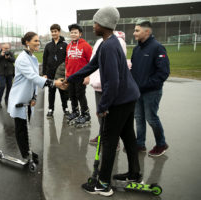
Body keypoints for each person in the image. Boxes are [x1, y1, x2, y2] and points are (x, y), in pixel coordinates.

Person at [63, 6, 142, 196]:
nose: (93, 25)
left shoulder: (108, 45)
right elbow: (92, 65)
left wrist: (103, 106)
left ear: (104, 24)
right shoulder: (109, 41)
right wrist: (71, 78)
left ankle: (104, 184)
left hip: (120, 100)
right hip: (129, 97)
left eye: (96, 22)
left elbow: (113, 82)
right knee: (128, 136)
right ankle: (134, 174)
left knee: (108, 140)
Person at [7, 32, 65, 164]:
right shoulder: (22, 59)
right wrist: (53, 83)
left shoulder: (32, 57)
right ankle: (25, 155)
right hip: (19, 98)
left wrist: (34, 97)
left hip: (27, 98)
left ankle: (27, 151)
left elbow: (34, 80)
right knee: (21, 127)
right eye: (35, 41)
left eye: (38, 41)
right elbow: (33, 77)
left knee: (25, 125)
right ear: (27, 42)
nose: (38, 43)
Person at [131, 20, 170, 157]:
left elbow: (163, 72)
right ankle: (140, 144)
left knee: (151, 118)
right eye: (134, 30)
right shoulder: (136, 49)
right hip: (138, 92)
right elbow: (134, 70)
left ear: (147, 32)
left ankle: (161, 144)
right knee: (139, 118)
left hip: (152, 92)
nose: (134, 33)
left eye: (137, 30)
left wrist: (146, 84)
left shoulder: (158, 48)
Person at [88, 31, 127, 148]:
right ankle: (102, 135)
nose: (93, 27)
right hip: (98, 84)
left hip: (109, 86)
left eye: (96, 23)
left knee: (110, 115)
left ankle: (114, 141)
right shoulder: (100, 42)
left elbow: (114, 66)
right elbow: (93, 62)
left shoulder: (116, 42)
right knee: (101, 114)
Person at [65, 23, 92, 127]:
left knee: (80, 95)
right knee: (72, 95)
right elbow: (67, 60)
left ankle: (85, 114)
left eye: (75, 32)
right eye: (71, 32)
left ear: (80, 34)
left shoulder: (85, 46)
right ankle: (75, 111)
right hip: (71, 76)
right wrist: (67, 75)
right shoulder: (69, 46)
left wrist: (87, 75)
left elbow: (91, 62)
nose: (73, 34)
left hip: (81, 76)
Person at [42, 24, 69, 118]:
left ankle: (65, 108)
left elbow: (68, 60)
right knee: (51, 92)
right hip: (50, 73)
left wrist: (67, 72)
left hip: (61, 73)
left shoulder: (65, 45)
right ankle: (50, 109)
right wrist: (44, 73)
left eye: (55, 31)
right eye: (52, 31)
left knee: (63, 91)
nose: (53, 33)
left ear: (59, 32)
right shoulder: (48, 45)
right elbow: (44, 59)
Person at [0, 43, 15, 108]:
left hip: (9, 73)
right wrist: (1, 55)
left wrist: (8, 58)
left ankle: (7, 99)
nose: (7, 49)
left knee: (9, 87)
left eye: (8, 48)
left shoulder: (10, 53)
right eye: (5, 48)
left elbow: (14, 60)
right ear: (2, 48)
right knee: (2, 86)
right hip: (1, 73)